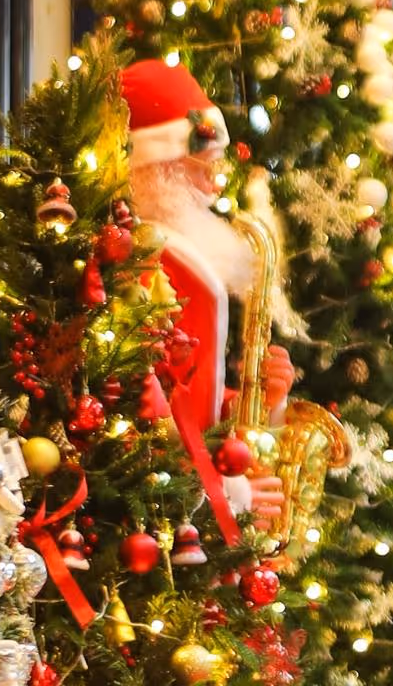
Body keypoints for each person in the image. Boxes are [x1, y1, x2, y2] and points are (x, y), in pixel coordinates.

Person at [121, 56, 292, 532]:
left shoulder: (180, 257)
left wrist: (258, 404)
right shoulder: (137, 261)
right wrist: (220, 489)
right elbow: (141, 402)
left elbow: (191, 393)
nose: (214, 185)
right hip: (158, 518)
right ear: (157, 168)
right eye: (201, 167)